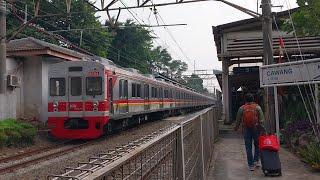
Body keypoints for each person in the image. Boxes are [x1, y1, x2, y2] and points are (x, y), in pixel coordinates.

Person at [234, 93, 265, 171]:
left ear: (245, 100)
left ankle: (251, 165)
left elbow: (238, 120)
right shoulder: (257, 107)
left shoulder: (242, 108)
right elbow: (262, 120)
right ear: (253, 99)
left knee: (248, 147)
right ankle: (256, 161)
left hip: (246, 129)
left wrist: (236, 127)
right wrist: (263, 128)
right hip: (256, 128)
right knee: (257, 145)